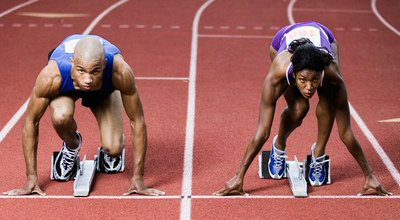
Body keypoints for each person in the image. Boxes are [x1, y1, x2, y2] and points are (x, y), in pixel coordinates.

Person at [214, 22, 392, 196]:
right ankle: (279, 145)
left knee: (327, 102)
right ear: (294, 74)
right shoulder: (277, 75)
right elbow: (262, 132)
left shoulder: (333, 77)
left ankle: (319, 153)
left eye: (315, 80)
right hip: (280, 42)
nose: (309, 87)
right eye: (302, 80)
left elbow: (346, 133)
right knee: (299, 108)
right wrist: (239, 176)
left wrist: (369, 175)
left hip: (325, 37)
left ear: (321, 73)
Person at [3, 35, 165, 196]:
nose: (88, 80)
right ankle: (71, 146)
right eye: (81, 70)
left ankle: (111, 148)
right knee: (61, 116)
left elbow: (137, 121)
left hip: (104, 90)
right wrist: (31, 178)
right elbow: (31, 122)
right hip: (66, 87)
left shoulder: (120, 72)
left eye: (95, 71)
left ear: (104, 65)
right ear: (72, 63)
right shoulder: (52, 75)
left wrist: (138, 178)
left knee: (114, 148)